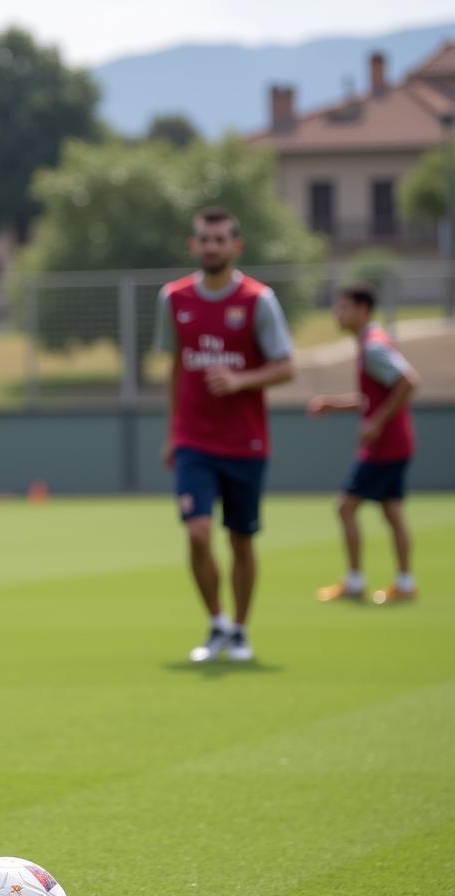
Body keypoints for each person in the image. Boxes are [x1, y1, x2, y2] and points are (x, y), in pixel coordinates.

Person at [154, 207, 295, 663]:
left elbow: (286, 367)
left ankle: (241, 630)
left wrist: (241, 381)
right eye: (204, 240)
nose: (211, 247)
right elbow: (176, 367)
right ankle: (216, 622)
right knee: (197, 533)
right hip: (194, 440)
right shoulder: (173, 298)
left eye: (220, 240)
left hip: (245, 441)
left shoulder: (259, 300)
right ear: (193, 246)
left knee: (240, 539)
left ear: (237, 246)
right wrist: (172, 433)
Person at [309, 283, 418, 605]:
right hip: (396, 442)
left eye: (343, 307)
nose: (337, 314)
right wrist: (334, 404)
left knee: (345, 507)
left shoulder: (372, 346)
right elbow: (374, 397)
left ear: (362, 310)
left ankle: (355, 582)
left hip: (385, 445)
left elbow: (409, 382)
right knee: (392, 512)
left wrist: (376, 423)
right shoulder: (372, 342)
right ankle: (405, 582)